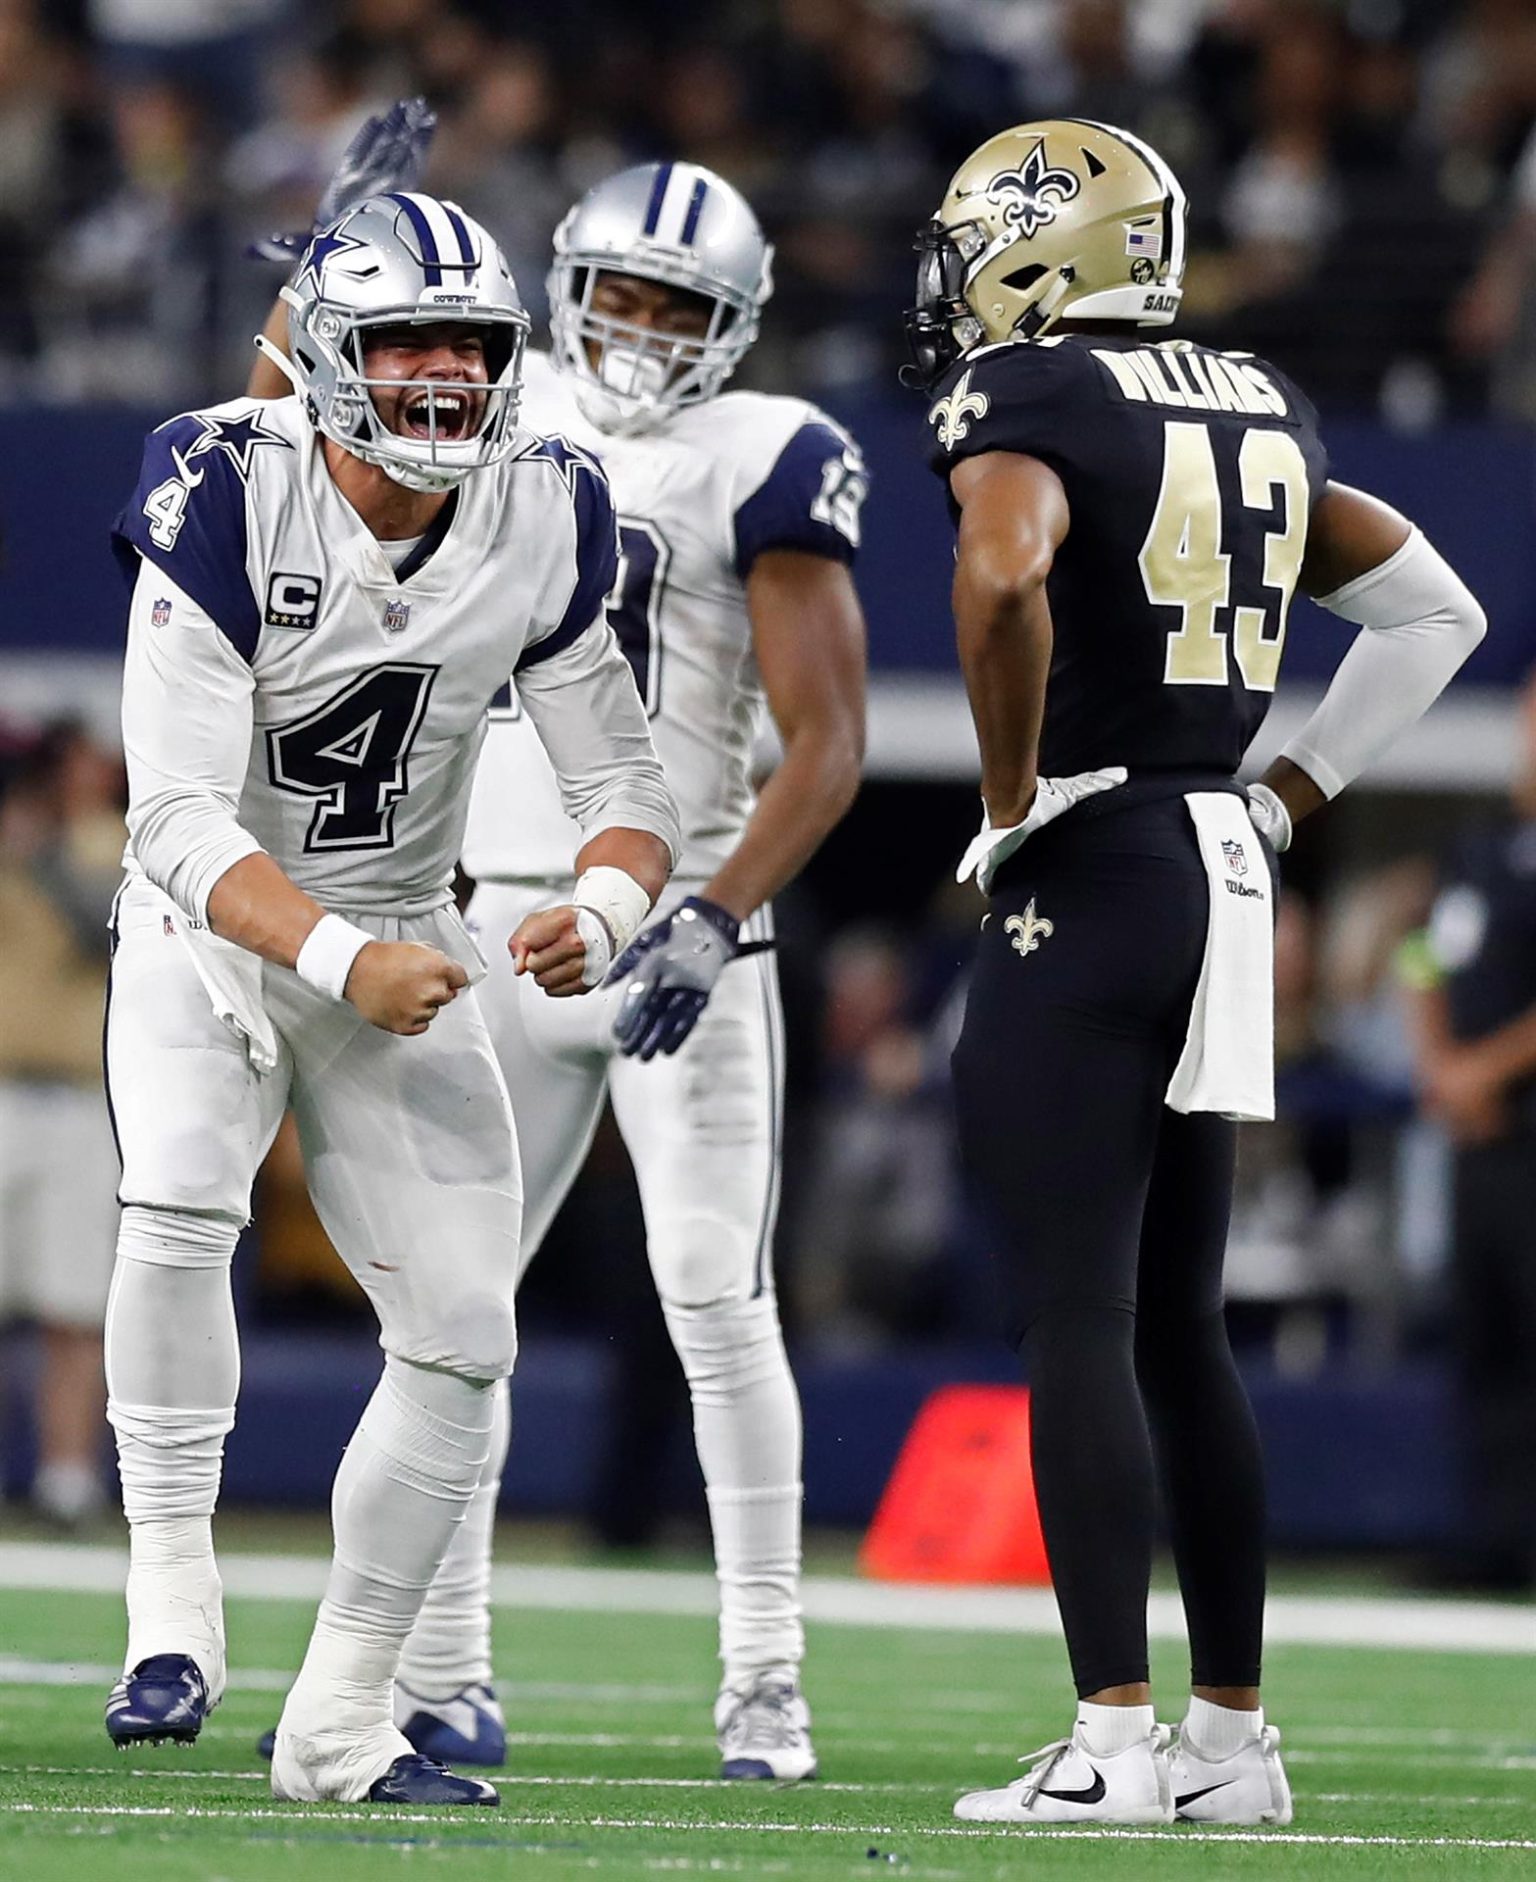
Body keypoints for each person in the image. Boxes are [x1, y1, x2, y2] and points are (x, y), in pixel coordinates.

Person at [246, 139, 867, 1780]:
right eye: (627, 295)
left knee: (716, 1299)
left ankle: (764, 1675)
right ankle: (444, 1670)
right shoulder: (486, 417)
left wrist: (717, 907)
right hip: (485, 912)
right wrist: (327, 266)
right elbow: (272, 440)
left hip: (673, 916)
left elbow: (827, 734)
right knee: (454, 1309)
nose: (649, 329)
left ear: (734, 320)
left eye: (683, 304)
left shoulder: (771, 450)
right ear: (568, 295)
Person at [905, 118, 1486, 1826]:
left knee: (1074, 1311)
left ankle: (1110, 1738)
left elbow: (1002, 573)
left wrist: (1012, 798)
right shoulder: (1256, 400)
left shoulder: (1029, 404)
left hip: (1091, 857)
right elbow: (1434, 613)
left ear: (1033, 247)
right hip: (1223, 864)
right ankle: (1231, 1743)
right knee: (1182, 1327)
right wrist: (1293, 792)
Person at [104, 188, 679, 1809]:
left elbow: (624, 783)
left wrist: (608, 899)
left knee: (466, 1333)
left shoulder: (549, 507)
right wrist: (345, 959)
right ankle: (171, 1596)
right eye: (406, 339)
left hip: (402, 926)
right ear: (327, 354)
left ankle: (344, 1719)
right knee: (179, 1205)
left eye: (471, 343)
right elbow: (171, 818)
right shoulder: (225, 473)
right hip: (217, 922)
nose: (441, 372)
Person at [1407, 668, 1536, 1594]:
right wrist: (1436, 1062)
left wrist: (1482, 1071)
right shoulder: (1479, 848)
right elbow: (1423, 954)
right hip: (1476, 1142)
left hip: (1526, 1128)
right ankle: (1486, 1538)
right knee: (1481, 1339)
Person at [0, 722, 124, 1526]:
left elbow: (96, 928)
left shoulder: (118, 840)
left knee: (76, 1307)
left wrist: (36, 852)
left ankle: (68, 1477)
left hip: (84, 1100)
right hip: (6, 1089)